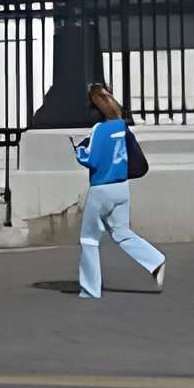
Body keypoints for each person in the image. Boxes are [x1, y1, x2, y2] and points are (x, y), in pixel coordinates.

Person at [72, 83, 165, 299]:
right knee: (122, 232)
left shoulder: (98, 130)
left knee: (89, 239)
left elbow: (91, 159)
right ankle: (155, 260)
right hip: (121, 187)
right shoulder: (122, 127)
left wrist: (79, 152)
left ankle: (90, 289)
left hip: (101, 188)